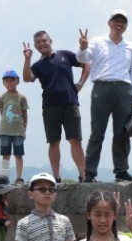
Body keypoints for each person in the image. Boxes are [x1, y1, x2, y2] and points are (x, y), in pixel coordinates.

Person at [76, 10, 132, 183]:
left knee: (122, 133)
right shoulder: (97, 42)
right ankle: (89, 173)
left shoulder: (131, 47)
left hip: (124, 89)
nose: (119, 24)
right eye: (116, 20)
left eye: (123, 22)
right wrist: (83, 46)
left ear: (126, 25)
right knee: (97, 132)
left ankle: (121, 171)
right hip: (101, 87)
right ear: (109, 22)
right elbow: (82, 58)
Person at [23, 30, 89, 182]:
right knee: (54, 142)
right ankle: (56, 177)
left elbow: (86, 64)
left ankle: (84, 175)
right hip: (50, 106)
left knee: (75, 140)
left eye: (44, 41)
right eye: (38, 43)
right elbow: (27, 78)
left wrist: (80, 83)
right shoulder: (38, 65)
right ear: (35, 46)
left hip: (70, 102)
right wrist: (27, 59)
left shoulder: (64, 55)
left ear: (50, 40)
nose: (42, 44)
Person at [0, 70, 29, 183]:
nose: (9, 83)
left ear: (17, 81)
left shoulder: (22, 97)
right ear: (3, 83)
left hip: (18, 131)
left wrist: (24, 127)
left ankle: (19, 177)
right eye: (7, 80)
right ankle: (5, 177)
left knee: (18, 154)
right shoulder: (2, 97)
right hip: (5, 130)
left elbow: (25, 114)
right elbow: (2, 112)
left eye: (12, 80)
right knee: (5, 154)